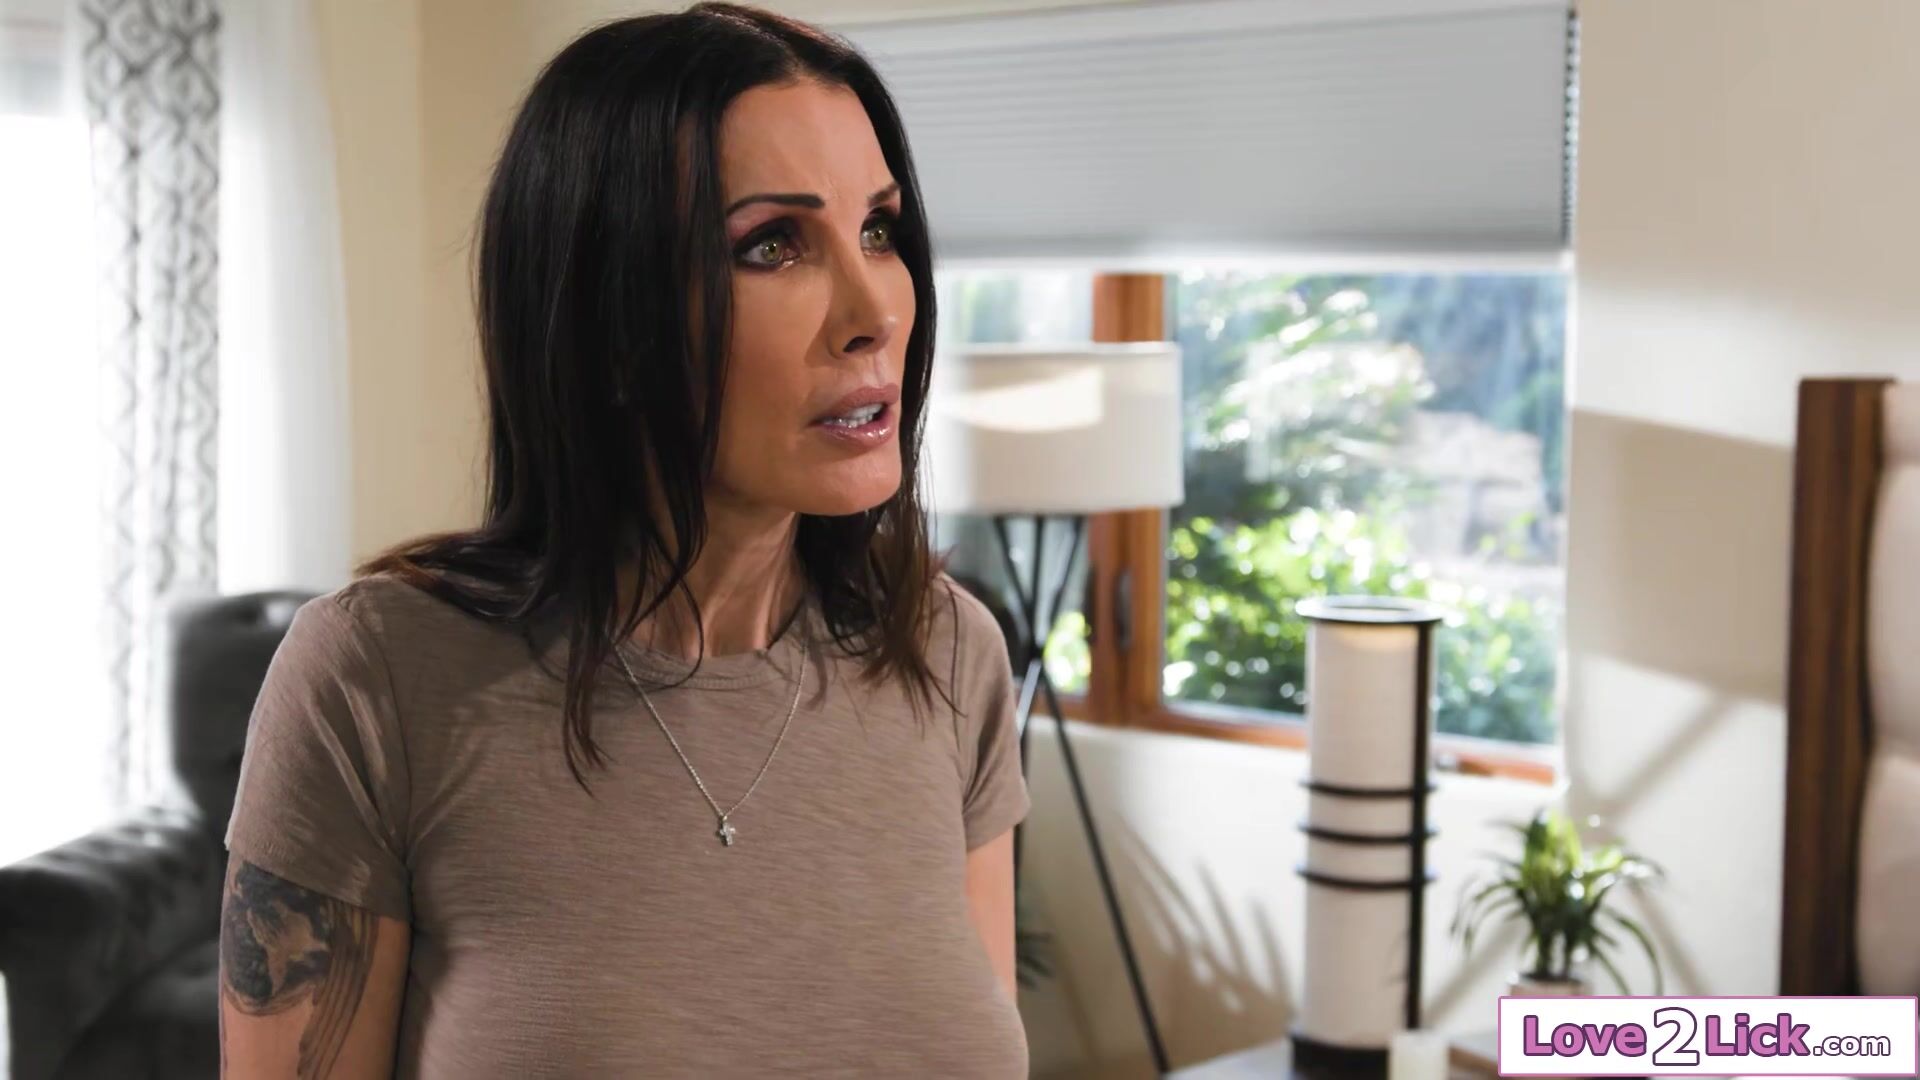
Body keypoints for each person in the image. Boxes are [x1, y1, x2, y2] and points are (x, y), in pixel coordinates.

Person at [216, 4, 1031, 1076]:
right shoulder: (380, 679)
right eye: (773, 245)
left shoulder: (948, 654)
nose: (874, 308)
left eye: (879, 230)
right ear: (604, 320)